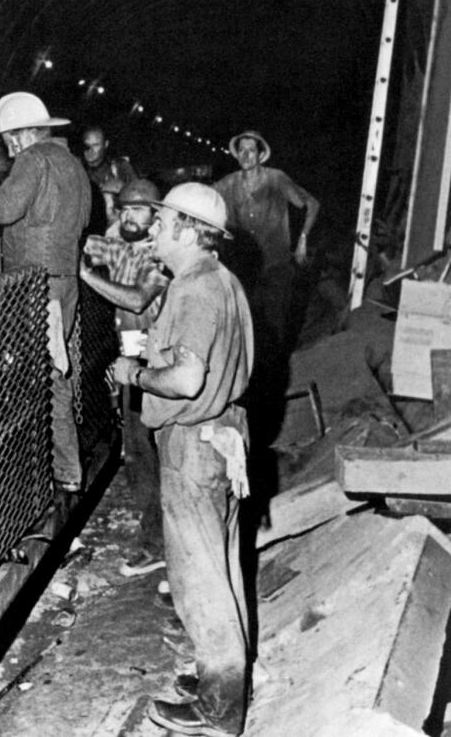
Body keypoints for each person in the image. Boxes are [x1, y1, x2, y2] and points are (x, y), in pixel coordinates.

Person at [110, 182, 255, 737]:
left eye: (165, 221)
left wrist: (139, 374)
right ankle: (223, 680)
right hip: (225, 434)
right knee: (223, 567)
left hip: (194, 444)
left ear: (190, 232)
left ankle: (219, 711)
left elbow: (190, 377)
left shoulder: (195, 289)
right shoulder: (222, 282)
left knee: (199, 580)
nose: (154, 228)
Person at [0, 91, 91, 491]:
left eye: (8, 140)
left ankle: (46, 475)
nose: (9, 148)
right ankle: (65, 469)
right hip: (63, 280)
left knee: (36, 376)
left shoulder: (33, 160)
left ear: (19, 135)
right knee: (55, 371)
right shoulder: (73, 165)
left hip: (36, 286)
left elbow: (2, 210)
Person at [80, 178, 170, 576]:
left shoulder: (161, 255)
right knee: (136, 451)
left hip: (159, 362)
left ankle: (159, 544)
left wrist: (87, 277)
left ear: (156, 214)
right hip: (131, 360)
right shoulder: (120, 245)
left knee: (152, 453)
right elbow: (82, 243)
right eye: (124, 208)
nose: (129, 215)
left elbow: (137, 298)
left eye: (139, 209)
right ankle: (158, 536)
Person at [213, 129, 319, 354]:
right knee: (242, 324)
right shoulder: (228, 184)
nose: (246, 155)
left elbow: (312, 204)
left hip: (275, 265)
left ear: (261, 155)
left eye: (251, 151)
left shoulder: (276, 179)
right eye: (241, 150)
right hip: (243, 268)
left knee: (274, 324)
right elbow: (203, 199)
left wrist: (302, 239)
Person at [82, 125, 137, 191]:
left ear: (106, 144)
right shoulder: (76, 168)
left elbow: (140, 192)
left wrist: (122, 188)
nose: (90, 150)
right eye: (87, 145)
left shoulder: (120, 167)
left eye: (95, 145)